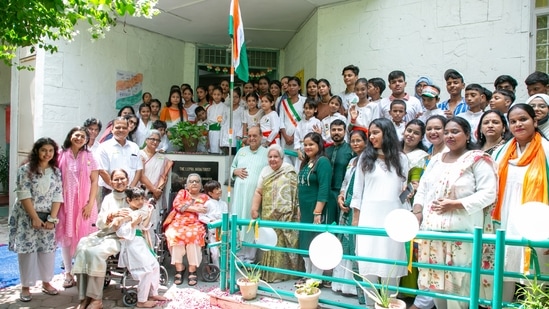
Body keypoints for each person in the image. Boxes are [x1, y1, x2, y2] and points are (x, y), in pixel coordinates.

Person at [413, 117, 497, 309]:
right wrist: (417, 212)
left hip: (461, 236)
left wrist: (455, 204)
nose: (449, 135)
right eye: (447, 132)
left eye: (455, 131)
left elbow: (488, 193)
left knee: (458, 293)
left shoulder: (477, 159)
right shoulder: (435, 160)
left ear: (468, 134)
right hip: (432, 235)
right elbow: (422, 190)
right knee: (437, 292)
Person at [492, 103, 549, 303]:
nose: (518, 124)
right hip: (505, 222)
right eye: (513, 121)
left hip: (537, 226)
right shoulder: (501, 153)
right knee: (503, 270)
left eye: (523, 119)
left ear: (535, 121)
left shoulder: (547, 152)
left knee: (535, 278)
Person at [350, 118, 409, 308]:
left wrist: (410, 192)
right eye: (370, 133)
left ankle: (388, 305)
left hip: (393, 218)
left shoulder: (401, 159)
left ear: (387, 132)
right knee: (368, 264)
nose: (372, 137)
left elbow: (403, 191)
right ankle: (370, 305)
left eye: (376, 132)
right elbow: (358, 192)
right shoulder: (364, 159)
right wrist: (356, 221)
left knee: (390, 264)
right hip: (369, 218)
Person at [9, 137, 62, 302]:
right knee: (28, 251)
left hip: (48, 216)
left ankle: (46, 282)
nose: (47, 154)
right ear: (37, 151)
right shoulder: (26, 170)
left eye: (50, 150)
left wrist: (52, 218)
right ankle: (26, 286)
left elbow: (57, 195)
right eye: (43, 150)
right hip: (27, 215)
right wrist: (34, 218)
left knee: (47, 250)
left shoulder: (56, 172)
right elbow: (23, 194)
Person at [71, 169, 133, 309]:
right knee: (82, 247)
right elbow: (100, 223)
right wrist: (110, 216)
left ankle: (96, 299)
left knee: (95, 253)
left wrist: (122, 218)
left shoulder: (132, 196)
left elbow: (140, 215)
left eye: (122, 178)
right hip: (105, 233)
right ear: (111, 182)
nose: (119, 182)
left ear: (127, 180)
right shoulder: (108, 198)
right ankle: (84, 297)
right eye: (116, 180)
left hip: (121, 237)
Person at [57, 127, 99, 289]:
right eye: (77, 135)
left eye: (83, 136)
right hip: (65, 203)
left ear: (87, 140)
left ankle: (82, 272)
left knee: (85, 238)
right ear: (70, 136)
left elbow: (94, 181)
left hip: (85, 204)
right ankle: (68, 273)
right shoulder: (61, 155)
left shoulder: (89, 156)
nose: (80, 138)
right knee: (67, 238)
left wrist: (89, 204)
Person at [250, 144, 300, 282]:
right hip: (268, 214)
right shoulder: (265, 171)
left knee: (283, 243)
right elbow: (259, 191)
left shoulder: (289, 171)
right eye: (270, 157)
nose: (272, 159)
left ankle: (286, 274)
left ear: (282, 158)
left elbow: (295, 194)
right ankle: (272, 274)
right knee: (270, 242)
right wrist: (254, 209)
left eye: (276, 157)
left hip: (286, 215)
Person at [117, 187, 168, 308]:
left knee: (155, 266)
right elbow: (120, 232)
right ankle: (141, 300)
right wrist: (132, 224)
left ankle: (153, 293)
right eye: (136, 199)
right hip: (131, 245)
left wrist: (149, 213)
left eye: (141, 198)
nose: (140, 201)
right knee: (146, 270)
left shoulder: (140, 211)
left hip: (141, 243)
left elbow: (144, 227)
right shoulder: (125, 212)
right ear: (128, 200)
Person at [331, 129, 367, 296]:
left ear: (366, 142)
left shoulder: (368, 161)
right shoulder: (352, 161)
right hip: (345, 207)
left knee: (355, 244)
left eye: (358, 140)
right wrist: (341, 196)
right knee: (343, 243)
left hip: (360, 208)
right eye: (352, 141)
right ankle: (342, 284)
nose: (355, 144)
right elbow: (345, 182)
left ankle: (354, 287)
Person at [297, 132, 332, 283]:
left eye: (311, 144)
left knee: (316, 242)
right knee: (305, 242)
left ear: (319, 145)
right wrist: (299, 207)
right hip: (305, 209)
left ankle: (316, 278)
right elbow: (301, 187)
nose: (307, 147)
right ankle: (308, 274)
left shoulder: (323, 162)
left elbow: (324, 187)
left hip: (317, 208)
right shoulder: (305, 163)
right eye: (305, 145)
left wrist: (318, 212)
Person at [231, 126, 269, 262]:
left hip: (255, 196)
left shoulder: (267, 153)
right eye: (250, 136)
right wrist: (234, 172)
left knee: (252, 224)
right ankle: (238, 255)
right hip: (240, 195)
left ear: (261, 137)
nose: (252, 138)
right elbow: (232, 167)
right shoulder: (241, 151)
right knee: (239, 223)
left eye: (255, 136)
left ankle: (250, 257)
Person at [163, 173, 209, 286]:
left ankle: (192, 269)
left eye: (197, 181)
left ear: (201, 186)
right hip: (178, 222)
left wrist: (187, 208)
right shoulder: (182, 193)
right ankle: (180, 267)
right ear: (186, 185)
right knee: (173, 234)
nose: (194, 183)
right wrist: (196, 208)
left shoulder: (205, 197)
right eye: (191, 181)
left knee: (194, 236)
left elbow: (206, 211)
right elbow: (177, 206)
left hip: (196, 223)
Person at [97, 116, 143, 197]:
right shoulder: (103, 147)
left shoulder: (134, 147)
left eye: (124, 128)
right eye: (118, 127)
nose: (121, 130)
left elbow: (138, 170)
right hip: (110, 191)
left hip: (130, 191)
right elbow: (102, 171)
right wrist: (117, 188)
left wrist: (130, 188)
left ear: (128, 129)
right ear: (112, 129)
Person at [139, 130, 173, 231]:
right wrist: (153, 189)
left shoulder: (161, 158)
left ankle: (152, 246)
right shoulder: (139, 155)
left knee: (153, 224)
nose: (155, 142)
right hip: (141, 194)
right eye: (152, 139)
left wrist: (158, 191)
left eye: (158, 140)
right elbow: (140, 175)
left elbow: (164, 176)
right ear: (146, 140)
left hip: (155, 196)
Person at [325, 119, 354, 225]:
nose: (336, 132)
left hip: (343, 193)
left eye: (339, 130)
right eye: (333, 130)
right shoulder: (326, 150)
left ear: (345, 132)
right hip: (327, 193)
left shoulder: (351, 150)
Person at [280, 76, 306, 166]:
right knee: (286, 165)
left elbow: (305, 119)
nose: (291, 87)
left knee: (298, 163)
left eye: (294, 85)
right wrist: (286, 136)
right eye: (289, 85)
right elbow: (281, 121)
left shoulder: (304, 101)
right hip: (285, 138)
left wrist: (295, 137)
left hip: (299, 137)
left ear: (299, 87)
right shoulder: (284, 102)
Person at [200, 181, 227, 268]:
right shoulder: (208, 203)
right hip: (213, 232)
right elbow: (201, 216)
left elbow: (226, 215)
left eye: (219, 188)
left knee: (224, 251)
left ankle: (224, 269)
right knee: (215, 252)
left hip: (223, 231)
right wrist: (210, 220)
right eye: (216, 189)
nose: (219, 190)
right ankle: (217, 269)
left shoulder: (224, 204)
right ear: (210, 193)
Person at [295, 99, 322, 168]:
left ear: (315, 110)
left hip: (312, 149)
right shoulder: (300, 123)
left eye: (310, 108)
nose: (308, 110)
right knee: (299, 167)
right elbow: (296, 137)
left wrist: (319, 134)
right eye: (306, 108)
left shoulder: (317, 122)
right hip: (301, 148)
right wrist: (298, 151)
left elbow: (319, 138)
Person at [207, 86, 230, 154]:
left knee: (219, 152)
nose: (216, 96)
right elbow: (208, 124)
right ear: (212, 95)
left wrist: (224, 139)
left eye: (218, 94)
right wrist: (207, 139)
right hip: (211, 133)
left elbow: (226, 123)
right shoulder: (209, 108)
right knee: (211, 152)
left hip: (220, 132)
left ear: (222, 95)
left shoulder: (225, 108)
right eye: (214, 94)